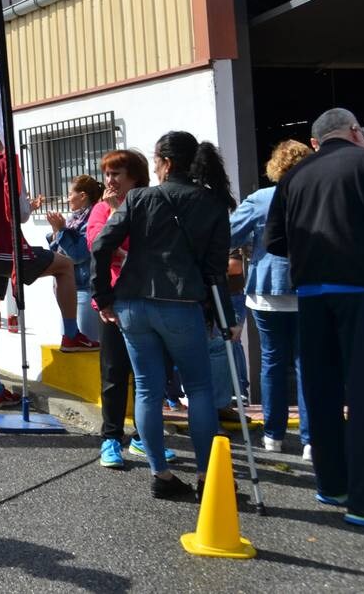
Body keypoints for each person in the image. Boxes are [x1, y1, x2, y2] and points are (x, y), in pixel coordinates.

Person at [92, 131, 235, 501]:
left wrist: (103, 296)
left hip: (132, 304)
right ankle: (207, 475)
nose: (154, 167)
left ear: (166, 163)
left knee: (147, 388)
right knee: (199, 389)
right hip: (183, 304)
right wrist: (226, 317)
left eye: (156, 160)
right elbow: (216, 268)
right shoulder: (212, 202)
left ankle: (161, 474)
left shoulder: (139, 198)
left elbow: (101, 244)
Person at [264, 108, 364, 527]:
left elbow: (274, 239)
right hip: (363, 290)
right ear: (353, 132)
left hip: (310, 293)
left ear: (315, 141)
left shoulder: (294, 176)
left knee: (322, 390)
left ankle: (332, 485)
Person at [0, 116, 97, 410]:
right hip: (4, 248)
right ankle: (71, 335)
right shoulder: (7, 162)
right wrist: (26, 205)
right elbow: (19, 214)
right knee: (64, 265)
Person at [83, 150, 175, 469]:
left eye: (117, 173)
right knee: (113, 372)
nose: (110, 180)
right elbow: (99, 249)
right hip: (112, 301)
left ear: (135, 177)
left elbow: (138, 250)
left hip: (146, 298)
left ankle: (144, 438)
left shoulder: (148, 205)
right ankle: (111, 438)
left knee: (147, 374)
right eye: (107, 174)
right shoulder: (99, 210)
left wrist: (120, 234)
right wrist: (112, 215)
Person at [231, 140, 312, 460]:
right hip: (308, 288)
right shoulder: (314, 194)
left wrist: (252, 244)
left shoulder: (260, 199)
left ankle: (273, 436)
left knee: (272, 362)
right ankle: (311, 439)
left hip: (266, 289)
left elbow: (229, 236)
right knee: (308, 365)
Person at [45, 174, 104, 342]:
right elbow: (58, 254)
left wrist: (62, 230)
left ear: (83, 195)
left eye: (70, 193)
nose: (67, 198)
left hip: (85, 290)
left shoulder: (94, 218)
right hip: (68, 291)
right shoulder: (73, 219)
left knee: (89, 346)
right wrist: (57, 232)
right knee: (71, 344)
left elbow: (78, 255)